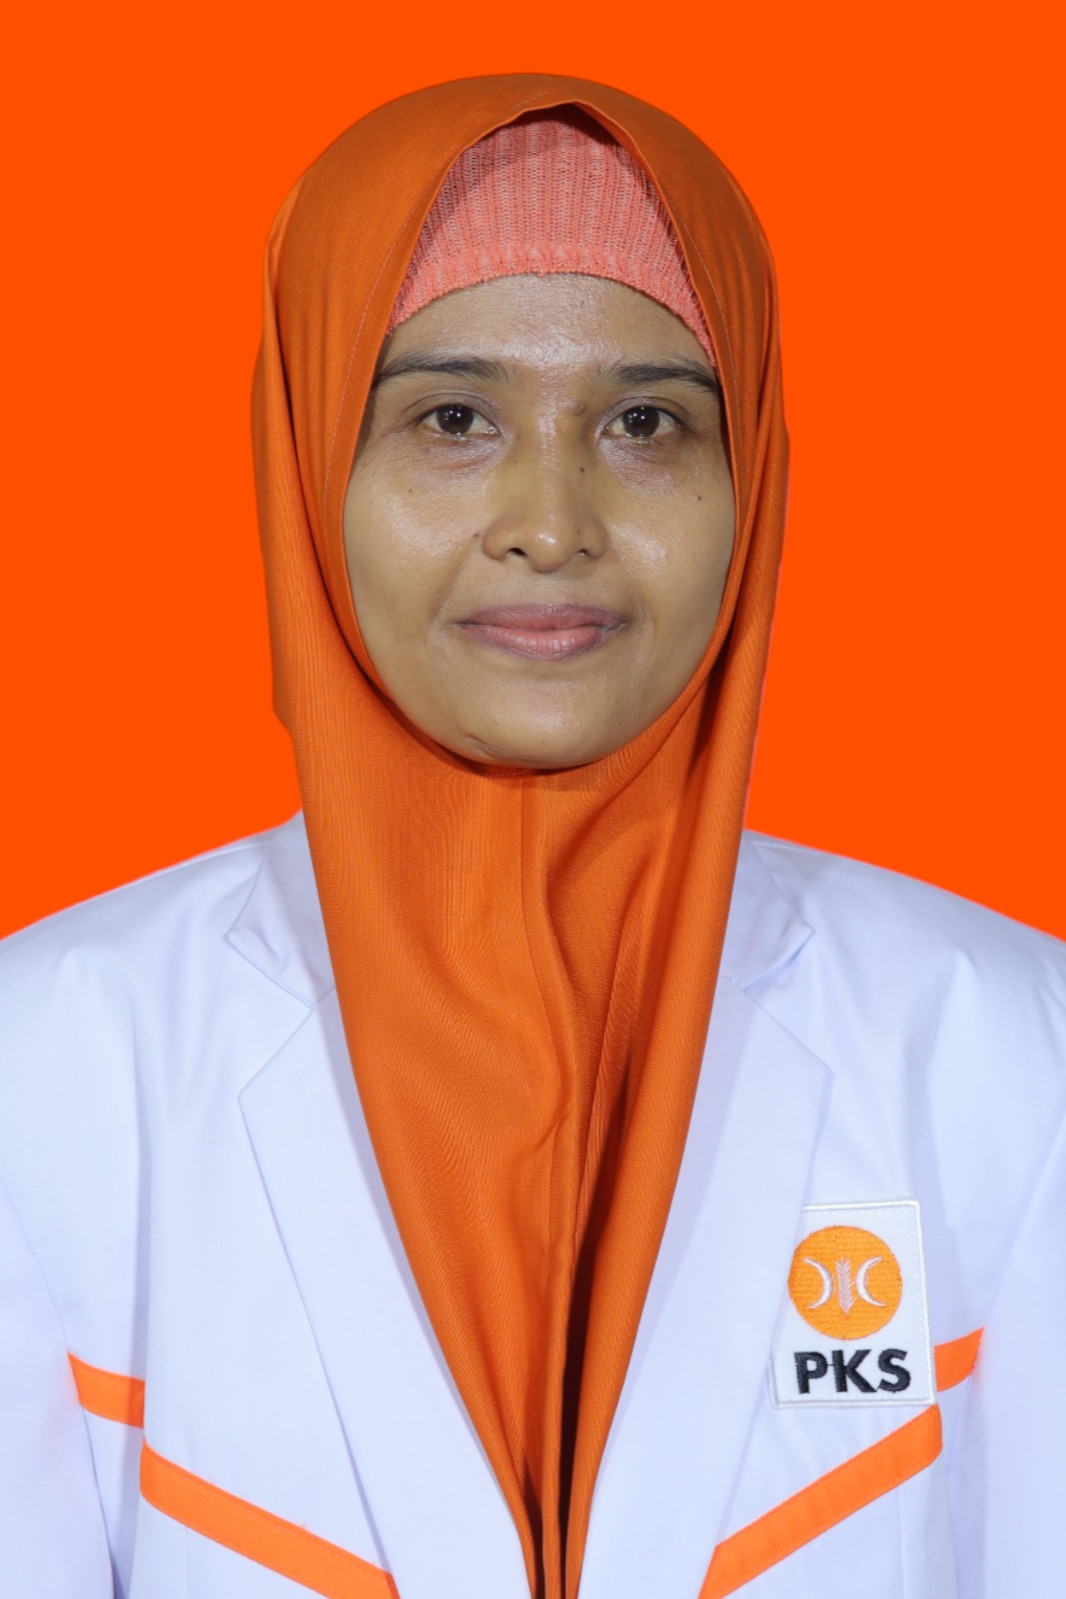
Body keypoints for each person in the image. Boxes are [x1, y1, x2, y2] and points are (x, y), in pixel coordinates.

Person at [0, 72, 1063, 1599]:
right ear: (310, 457)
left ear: (750, 475)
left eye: (644, 422)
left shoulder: (1006, 1053)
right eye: (451, 418)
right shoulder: (46, 1076)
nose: (550, 520)